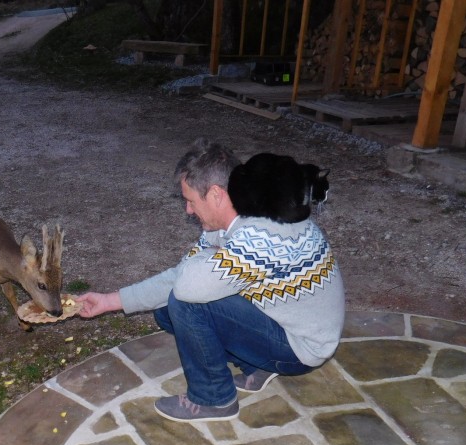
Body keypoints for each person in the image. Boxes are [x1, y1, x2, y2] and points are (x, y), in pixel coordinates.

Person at [77, 138, 345, 423]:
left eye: (191, 201)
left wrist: (209, 259)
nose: (188, 211)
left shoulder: (258, 237)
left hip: (303, 347)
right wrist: (109, 301)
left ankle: (214, 399)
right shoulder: (243, 215)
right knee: (167, 310)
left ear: (216, 194)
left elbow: (186, 286)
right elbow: (181, 274)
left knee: (186, 304)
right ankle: (257, 365)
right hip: (284, 322)